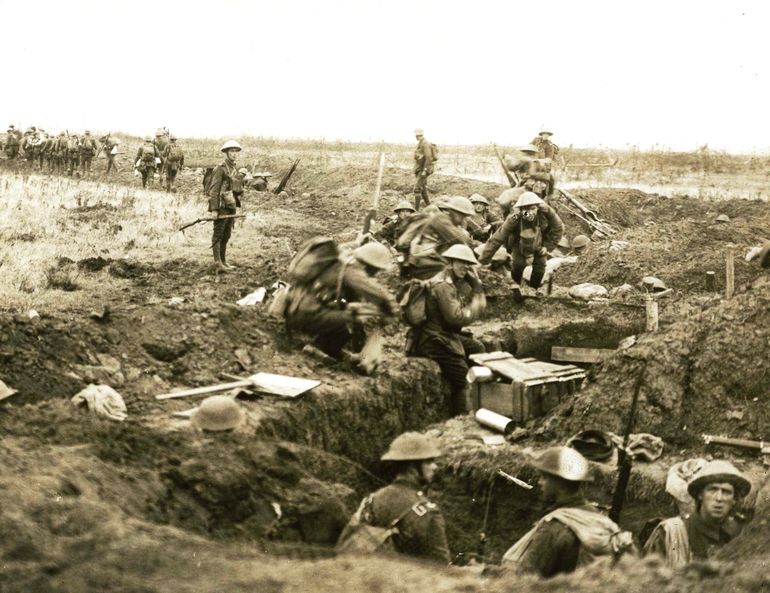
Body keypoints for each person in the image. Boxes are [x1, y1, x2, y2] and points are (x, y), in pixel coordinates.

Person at [502, 447, 633, 577]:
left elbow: (525, 580)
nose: (539, 482)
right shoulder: (597, 516)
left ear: (561, 484)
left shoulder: (552, 529)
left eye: (544, 477)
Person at [337, 432, 450, 564]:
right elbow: (441, 567)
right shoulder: (427, 513)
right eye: (429, 461)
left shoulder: (371, 500)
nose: (434, 466)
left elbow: (347, 543)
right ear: (412, 466)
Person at [285, 242, 398, 360]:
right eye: (376, 269)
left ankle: (331, 349)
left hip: (298, 309)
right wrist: (390, 307)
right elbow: (373, 291)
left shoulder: (342, 262)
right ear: (370, 265)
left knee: (353, 310)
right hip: (306, 315)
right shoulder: (352, 269)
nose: (376, 273)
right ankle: (321, 349)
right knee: (353, 317)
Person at [412, 244, 486, 415]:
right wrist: (476, 306)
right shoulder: (443, 285)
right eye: (461, 263)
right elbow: (456, 317)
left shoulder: (452, 282)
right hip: (434, 341)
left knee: (478, 348)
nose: (465, 267)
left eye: (468, 264)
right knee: (465, 378)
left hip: (444, 336)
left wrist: (476, 286)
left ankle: (480, 396)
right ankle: (462, 417)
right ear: (451, 262)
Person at [643, 460, 751, 568]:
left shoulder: (740, 531)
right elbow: (650, 579)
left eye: (726, 492)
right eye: (712, 490)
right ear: (700, 495)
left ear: (734, 499)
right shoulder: (671, 532)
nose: (719, 498)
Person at [479, 192, 563, 291]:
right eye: (526, 210)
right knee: (518, 265)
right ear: (520, 210)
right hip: (518, 242)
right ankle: (516, 288)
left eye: (533, 209)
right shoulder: (514, 218)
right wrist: (483, 262)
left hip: (541, 241)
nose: (530, 213)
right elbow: (497, 239)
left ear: (538, 207)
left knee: (540, 267)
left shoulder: (547, 212)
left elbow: (558, 228)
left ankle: (533, 290)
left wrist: (547, 246)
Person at [406, 196, 476, 280]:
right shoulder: (440, 219)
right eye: (462, 215)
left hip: (430, 259)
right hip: (421, 262)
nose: (462, 220)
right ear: (454, 211)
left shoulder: (450, 223)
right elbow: (461, 241)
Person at [206, 140, 243, 272]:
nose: (234, 154)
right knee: (218, 233)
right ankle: (217, 263)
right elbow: (214, 190)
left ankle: (223, 261)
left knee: (226, 234)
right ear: (226, 153)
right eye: (231, 151)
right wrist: (214, 209)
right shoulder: (220, 168)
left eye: (235, 151)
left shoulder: (234, 169)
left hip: (231, 204)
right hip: (221, 206)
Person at [413, 128, 435, 210]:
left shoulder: (425, 144)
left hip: (423, 171)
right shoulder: (421, 143)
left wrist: (425, 171)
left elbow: (428, 158)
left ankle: (416, 211)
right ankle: (430, 207)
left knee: (417, 189)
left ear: (418, 135)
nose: (415, 136)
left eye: (416, 135)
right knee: (424, 189)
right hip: (420, 169)